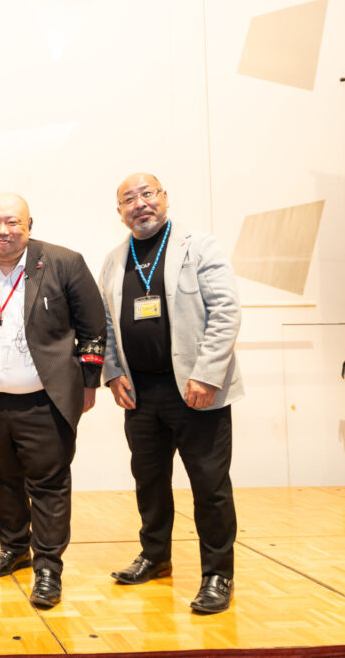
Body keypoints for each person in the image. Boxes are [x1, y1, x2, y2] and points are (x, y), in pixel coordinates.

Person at [0, 192, 106, 609]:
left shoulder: (64, 262)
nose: (3, 231)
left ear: (29, 225)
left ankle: (48, 567)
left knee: (49, 486)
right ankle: (14, 547)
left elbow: (94, 326)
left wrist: (88, 382)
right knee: (3, 480)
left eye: (13, 222)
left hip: (44, 402)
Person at [99, 172, 242, 614]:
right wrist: (112, 373)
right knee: (150, 481)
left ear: (164, 198)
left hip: (196, 391)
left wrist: (207, 374)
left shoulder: (199, 246)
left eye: (147, 194)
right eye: (129, 199)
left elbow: (225, 312)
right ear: (119, 212)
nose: (140, 203)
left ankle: (217, 574)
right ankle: (155, 555)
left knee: (209, 486)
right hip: (140, 393)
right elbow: (105, 325)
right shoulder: (114, 260)